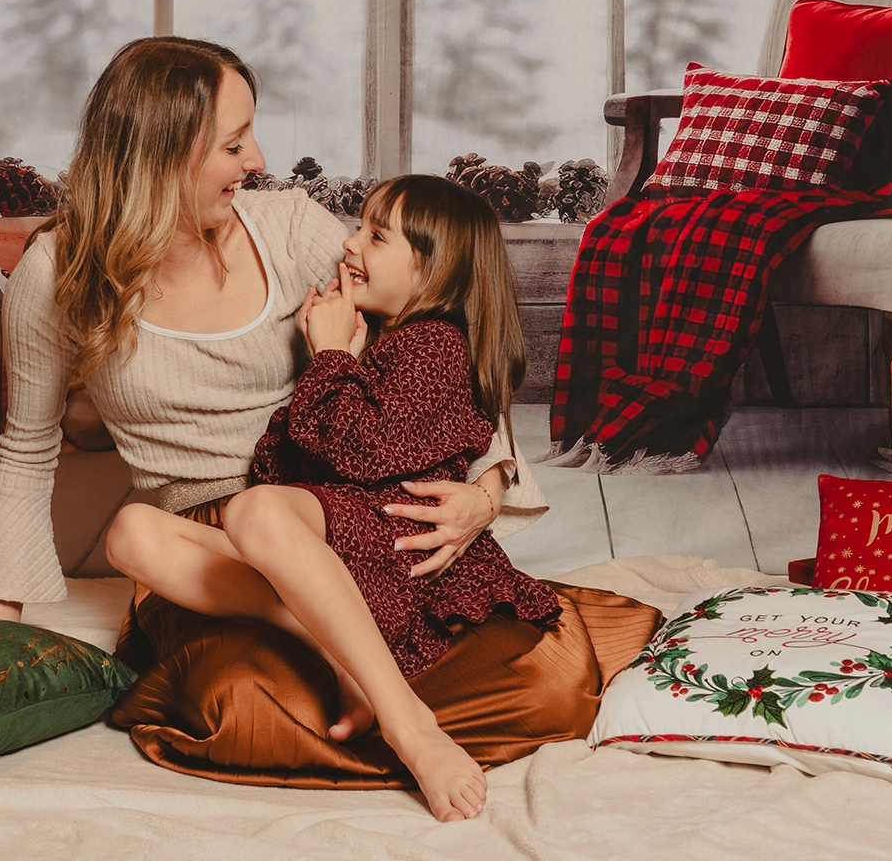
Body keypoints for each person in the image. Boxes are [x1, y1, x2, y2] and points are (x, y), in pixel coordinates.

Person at [0, 37, 541, 698]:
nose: (257, 161)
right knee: (254, 701)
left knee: (526, 670)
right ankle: (357, 672)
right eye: (234, 145)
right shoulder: (56, 271)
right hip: (202, 546)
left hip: (328, 520)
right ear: (161, 155)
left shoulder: (291, 229)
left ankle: (379, 681)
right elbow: (27, 452)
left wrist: (486, 497)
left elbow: (439, 348)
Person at [106, 175, 559, 822]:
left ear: (434, 270)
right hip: (335, 541)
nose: (350, 245)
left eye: (377, 236)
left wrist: (327, 354)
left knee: (258, 509)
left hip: (388, 545)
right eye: (359, 228)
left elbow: (359, 454)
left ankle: (408, 722)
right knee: (131, 532)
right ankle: (332, 645)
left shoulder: (436, 344)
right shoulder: (383, 339)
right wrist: (343, 353)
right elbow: (304, 456)